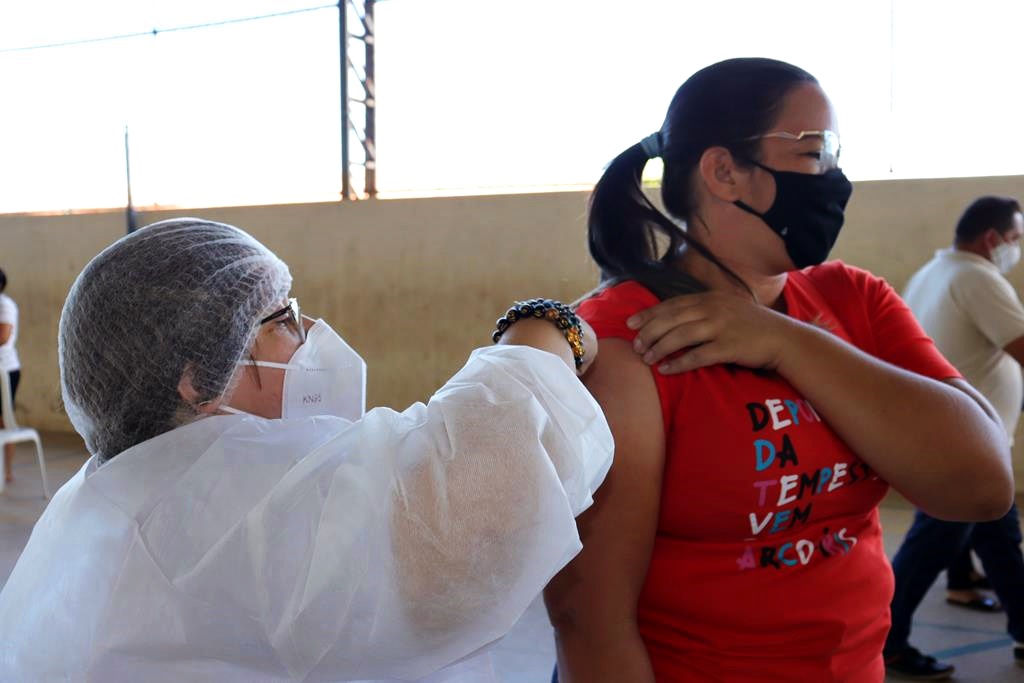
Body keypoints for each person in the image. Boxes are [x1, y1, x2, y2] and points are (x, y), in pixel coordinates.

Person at [541, 58, 1013, 682]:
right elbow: (588, 619)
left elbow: (982, 484)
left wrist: (786, 341)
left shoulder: (853, 299)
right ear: (725, 172)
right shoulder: (630, 341)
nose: (837, 177)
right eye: (816, 151)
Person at [0, 218, 614, 682]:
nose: (310, 332)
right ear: (198, 378)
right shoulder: (230, 512)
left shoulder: (117, 490)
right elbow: (478, 490)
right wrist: (547, 327)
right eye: (281, 317)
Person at [884, 195, 1024, 678]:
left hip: (961, 438)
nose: (1015, 249)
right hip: (962, 443)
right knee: (930, 545)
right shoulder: (977, 277)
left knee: (1001, 537)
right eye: (1015, 240)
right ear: (992, 238)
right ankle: (888, 640)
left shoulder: (933, 272)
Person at [0, 268, 20, 484]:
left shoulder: (4, 305)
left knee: (5, 421)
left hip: (5, 370)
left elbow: (3, 336)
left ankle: (7, 471)